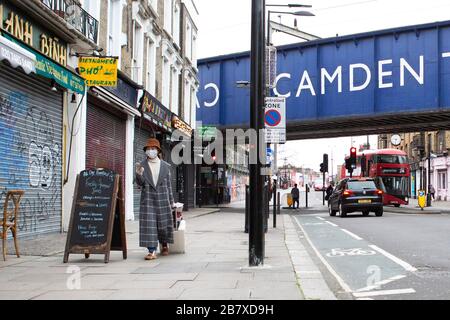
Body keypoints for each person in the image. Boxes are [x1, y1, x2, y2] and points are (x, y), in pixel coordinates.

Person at [135, 138, 175, 261]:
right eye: (148, 149)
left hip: (163, 198)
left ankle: (164, 244)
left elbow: (168, 185)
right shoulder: (141, 165)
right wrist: (138, 174)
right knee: (150, 225)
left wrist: (171, 201)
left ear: (157, 150)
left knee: (163, 224)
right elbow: (139, 184)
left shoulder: (165, 166)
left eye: (153, 148)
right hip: (148, 199)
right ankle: (151, 251)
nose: (150, 151)